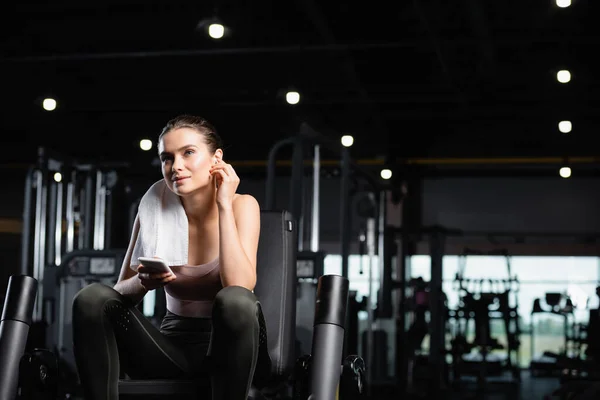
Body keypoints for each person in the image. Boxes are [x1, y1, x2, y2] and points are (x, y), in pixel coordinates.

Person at [71, 114, 271, 400]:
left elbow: (239, 285)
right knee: (91, 298)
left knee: (235, 300)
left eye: (188, 152)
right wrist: (144, 282)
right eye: (167, 157)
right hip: (173, 347)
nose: (176, 166)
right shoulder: (153, 207)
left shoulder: (243, 205)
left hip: (237, 349)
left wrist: (223, 204)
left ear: (217, 158)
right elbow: (118, 294)